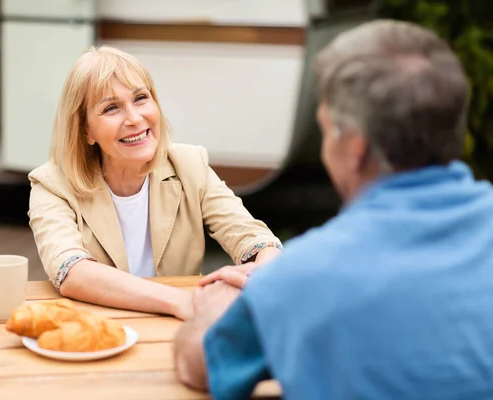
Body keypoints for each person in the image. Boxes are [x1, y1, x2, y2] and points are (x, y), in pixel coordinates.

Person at [174, 19, 493, 399]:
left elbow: (197, 364)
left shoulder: (301, 277)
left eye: (325, 131)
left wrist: (215, 308)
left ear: (355, 147)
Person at [27, 46, 282, 321]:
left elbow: (258, 241)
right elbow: (70, 271)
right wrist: (182, 301)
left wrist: (258, 271)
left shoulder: (190, 164)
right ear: (86, 130)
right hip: (98, 328)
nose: (135, 118)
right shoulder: (51, 185)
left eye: (141, 98)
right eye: (111, 108)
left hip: (179, 329)